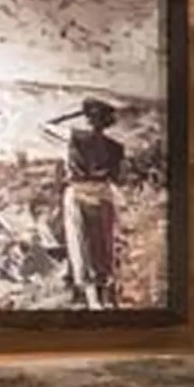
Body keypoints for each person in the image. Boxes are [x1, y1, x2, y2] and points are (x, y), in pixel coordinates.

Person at [56, 100, 126, 309]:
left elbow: (44, 126)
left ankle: (93, 301)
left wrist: (72, 114)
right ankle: (106, 298)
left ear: (87, 118)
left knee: (81, 246)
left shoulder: (75, 136)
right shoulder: (116, 147)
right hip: (103, 195)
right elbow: (118, 178)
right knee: (103, 246)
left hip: (77, 194)